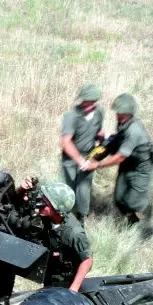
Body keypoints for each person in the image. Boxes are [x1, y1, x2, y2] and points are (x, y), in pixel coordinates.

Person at [80, 93, 153, 224]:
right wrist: (94, 155)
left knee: (133, 202)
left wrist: (97, 165)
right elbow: (114, 143)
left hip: (140, 169)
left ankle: (146, 210)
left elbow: (120, 156)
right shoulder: (123, 124)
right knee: (119, 199)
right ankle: (132, 221)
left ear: (130, 113)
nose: (119, 115)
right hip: (127, 165)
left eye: (123, 113)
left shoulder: (134, 130)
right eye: (118, 112)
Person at [18, 179, 93, 291]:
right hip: (50, 267)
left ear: (58, 210)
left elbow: (87, 260)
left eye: (46, 204)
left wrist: (73, 289)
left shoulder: (74, 233)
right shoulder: (48, 214)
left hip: (63, 279)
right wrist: (22, 189)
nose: (40, 204)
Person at [59, 83, 105, 221]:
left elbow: (99, 131)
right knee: (68, 189)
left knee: (84, 189)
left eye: (91, 102)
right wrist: (80, 161)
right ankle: (65, 217)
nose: (87, 105)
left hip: (89, 155)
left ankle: (81, 218)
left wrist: (102, 140)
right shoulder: (71, 116)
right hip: (71, 159)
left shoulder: (99, 112)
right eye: (85, 102)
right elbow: (65, 142)